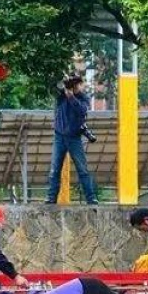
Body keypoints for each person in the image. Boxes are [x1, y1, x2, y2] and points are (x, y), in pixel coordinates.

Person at [45, 73, 97, 205]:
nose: (77, 86)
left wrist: (72, 97)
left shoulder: (83, 98)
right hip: (59, 137)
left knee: (83, 169)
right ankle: (51, 199)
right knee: (54, 169)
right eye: (75, 84)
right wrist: (63, 84)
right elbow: (53, 87)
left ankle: (91, 199)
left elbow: (82, 110)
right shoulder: (61, 95)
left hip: (74, 138)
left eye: (78, 84)